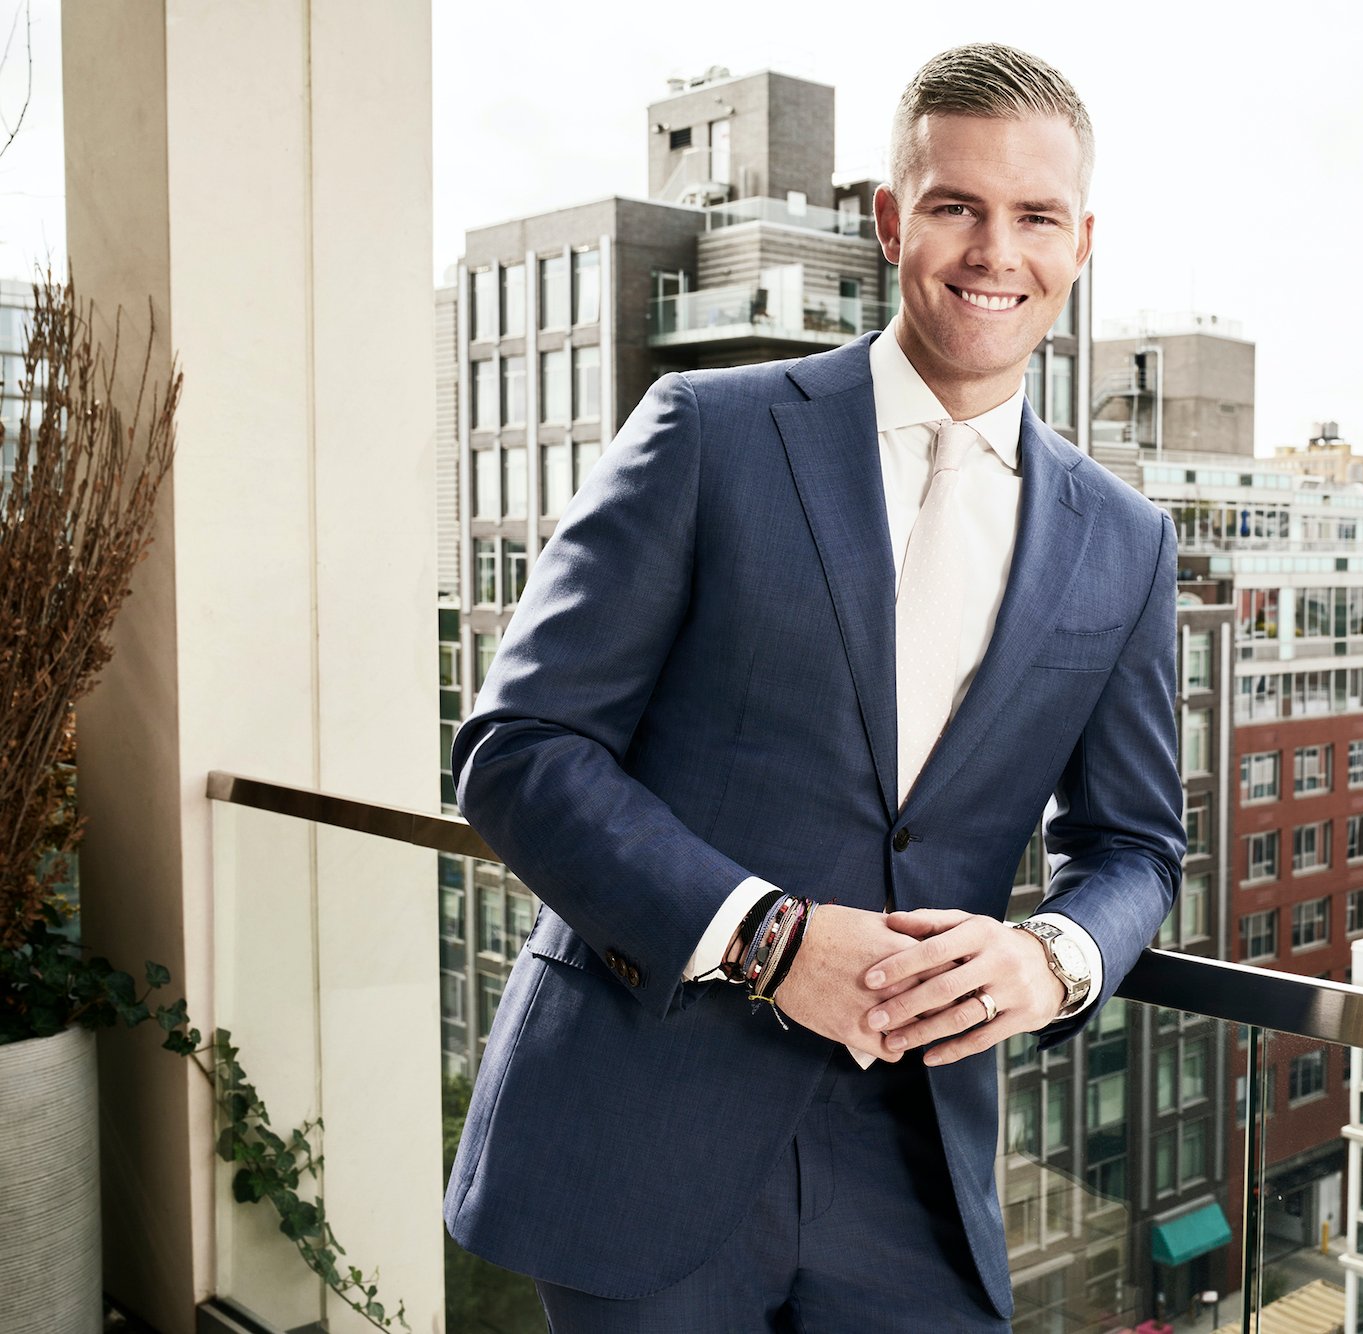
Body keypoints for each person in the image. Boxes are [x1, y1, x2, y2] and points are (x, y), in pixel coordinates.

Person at [443, 42, 1184, 1331]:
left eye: (1035, 216)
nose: (993, 251)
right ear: (893, 221)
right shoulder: (707, 430)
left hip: (918, 1167)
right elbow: (519, 746)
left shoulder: (1127, 542)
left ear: (1080, 244)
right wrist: (768, 939)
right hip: (647, 1123)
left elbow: (1135, 846)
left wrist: (1053, 959)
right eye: (955, 206)